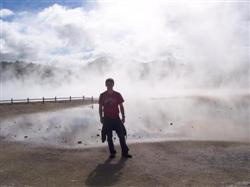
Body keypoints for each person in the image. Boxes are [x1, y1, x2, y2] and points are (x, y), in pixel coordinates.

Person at [99, 78, 132, 159]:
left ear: (113, 85)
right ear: (105, 85)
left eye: (111, 84)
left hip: (116, 118)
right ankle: (112, 153)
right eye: (108, 84)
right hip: (107, 119)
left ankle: (125, 152)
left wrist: (123, 116)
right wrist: (101, 117)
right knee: (109, 137)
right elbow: (100, 108)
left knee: (121, 136)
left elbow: (121, 106)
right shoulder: (102, 95)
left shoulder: (117, 94)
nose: (109, 86)